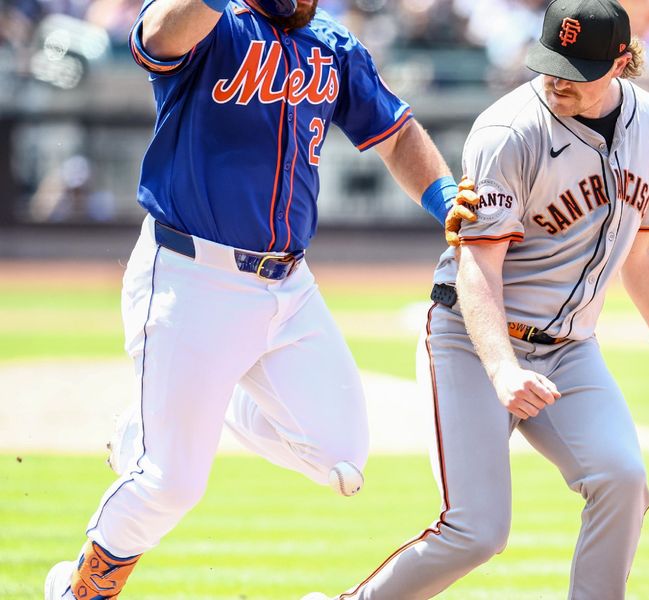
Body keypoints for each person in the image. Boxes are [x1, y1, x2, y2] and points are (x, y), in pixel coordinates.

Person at [44, 0, 468, 597]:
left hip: (288, 287)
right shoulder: (215, 24)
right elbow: (160, 33)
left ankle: (194, 400)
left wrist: (446, 197)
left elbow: (395, 134)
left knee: (342, 461)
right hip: (192, 276)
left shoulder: (331, 44)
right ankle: (77, 588)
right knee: (170, 485)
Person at [305, 0, 649, 598]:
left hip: (570, 349)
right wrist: (501, 369)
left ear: (623, 61)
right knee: (476, 531)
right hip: (472, 340)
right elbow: (477, 264)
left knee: (622, 479)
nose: (557, 78)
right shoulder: (508, 131)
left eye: (577, 67)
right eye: (550, 61)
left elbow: (645, 254)